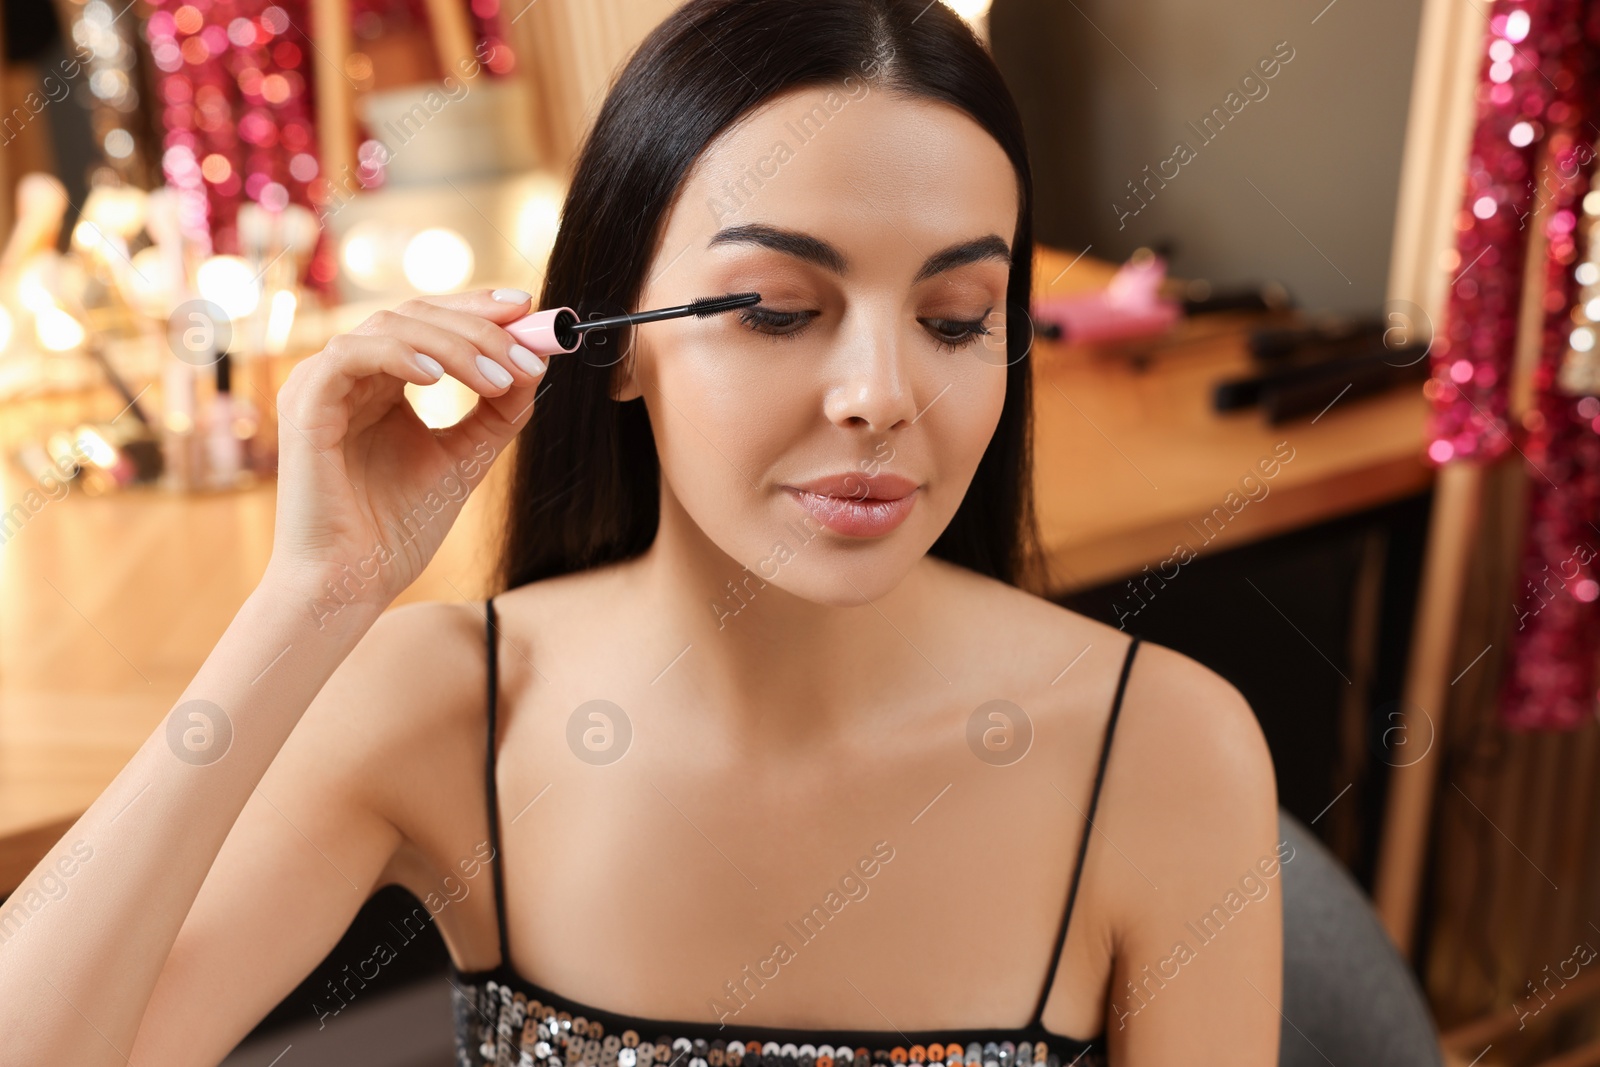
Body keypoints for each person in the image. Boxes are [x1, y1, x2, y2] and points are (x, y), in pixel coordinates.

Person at [0, 1, 1282, 1064]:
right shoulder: (451, 711)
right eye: (779, 308)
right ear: (606, 344)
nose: (881, 395)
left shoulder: (1165, 751)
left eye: (954, 319)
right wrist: (309, 599)